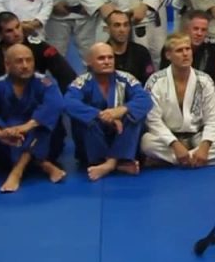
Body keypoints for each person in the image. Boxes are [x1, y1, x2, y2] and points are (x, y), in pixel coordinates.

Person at [0, 44, 67, 192]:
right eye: (19, 61)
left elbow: (55, 104)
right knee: (1, 125)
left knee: (44, 124)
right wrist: (0, 133)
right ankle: (43, 164)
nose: (25, 66)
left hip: (41, 139)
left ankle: (17, 171)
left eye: (29, 60)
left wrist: (26, 126)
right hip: (7, 143)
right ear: (7, 65)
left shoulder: (45, 82)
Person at [141, 33, 215, 167]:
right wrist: (174, 144)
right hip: (169, 138)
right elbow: (153, 120)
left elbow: (212, 118)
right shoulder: (155, 81)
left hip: (197, 137)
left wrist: (204, 147)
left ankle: (177, 159)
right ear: (168, 55)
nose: (185, 54)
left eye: (188, 49)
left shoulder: (205, 81)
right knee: (146, 143)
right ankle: (195, 159)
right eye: (179, 50)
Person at [65, 43, 152, 180]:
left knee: (134, 117)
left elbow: (145, 99)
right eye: (101, 58)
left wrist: (122, 109)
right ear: (89, 62)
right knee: (86, 120)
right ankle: (117, 163)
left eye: (110, 57)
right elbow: (68, 103)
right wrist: (100, 115)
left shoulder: (125, 78)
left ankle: (110, 164)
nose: (107, 62)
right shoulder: (82, 82)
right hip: (93, 139)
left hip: (120, 135)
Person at [162, 11, 215, 79]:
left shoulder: (211, 47)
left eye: (203, 30)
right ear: (186, 29)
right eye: (195, 29)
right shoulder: (171, 46)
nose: (199, 33)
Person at [105, 10, 156, 85]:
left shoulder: (141, 53)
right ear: (107, 29)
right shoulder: (100, 54)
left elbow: (150, 82)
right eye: (117, 25)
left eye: (125, 25)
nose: (122, 30)